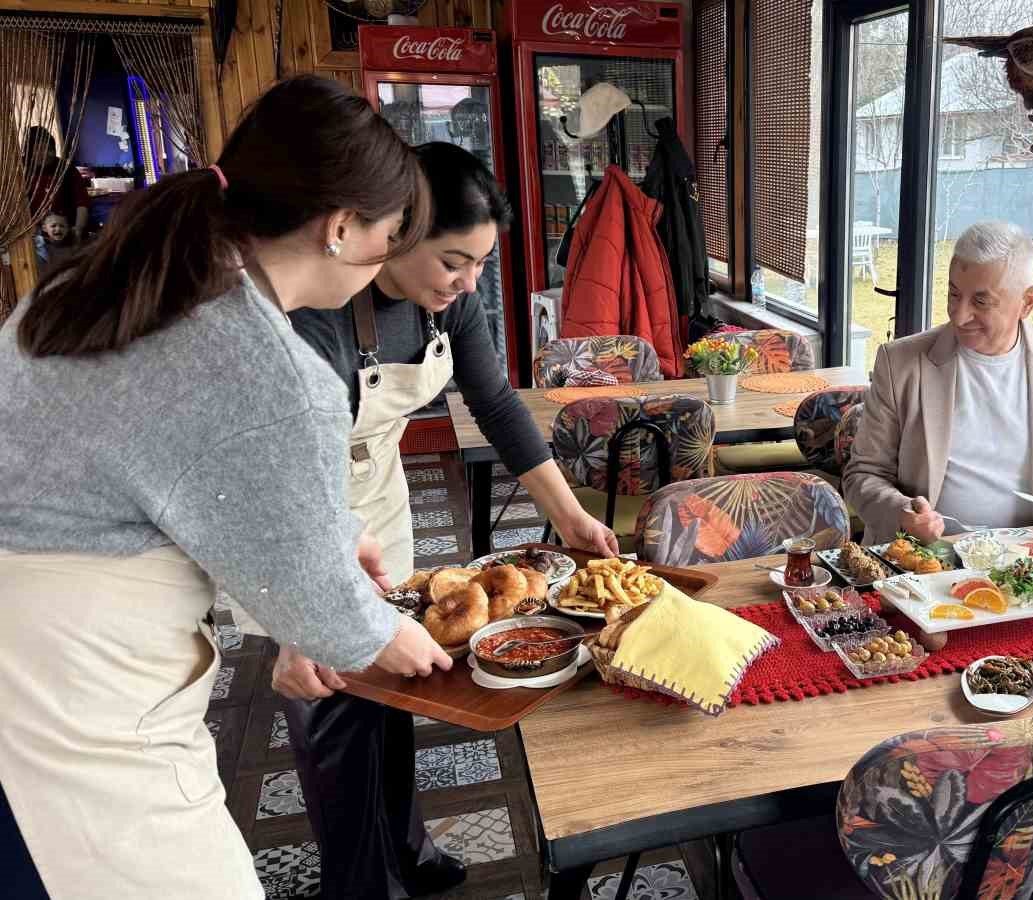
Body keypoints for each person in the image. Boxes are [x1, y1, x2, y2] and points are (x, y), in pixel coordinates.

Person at [0, 76, 450, 899]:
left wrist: (323, 532)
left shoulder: (100, 281)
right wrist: (410, 645)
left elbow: (165, 464)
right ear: (341, 228)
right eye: (390, 235)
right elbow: (327, 613)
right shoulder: (270, 370)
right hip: (71, 674)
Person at [278, 141, 619, 898]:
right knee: (335, 704)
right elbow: (292, 476)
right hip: (302, 512)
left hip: (381, 501)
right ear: (397, 231)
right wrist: (307, 609)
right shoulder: (324, 313)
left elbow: (495, 403)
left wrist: (569, 518)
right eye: (453, 262)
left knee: (393, 686)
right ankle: (364, 882)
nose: (468, 283)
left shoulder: (453, 303)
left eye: (479, 265)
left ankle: (407, 847)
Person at [843, 220, 1033, 545]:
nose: (959, 315)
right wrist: (902, 514)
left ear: (1028, 302)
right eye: (954, 294)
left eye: (981, 302)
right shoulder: (900, 363)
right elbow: (863, 475)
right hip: (923, 562)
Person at [23, 126, 91, 243]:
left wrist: (78, 229)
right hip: (33, 236)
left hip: (66, 233)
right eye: (40, 150)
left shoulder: (66, 169)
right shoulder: (20, 170)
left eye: (50, 149)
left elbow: (82, 203)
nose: (47, 154)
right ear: (30, 152)